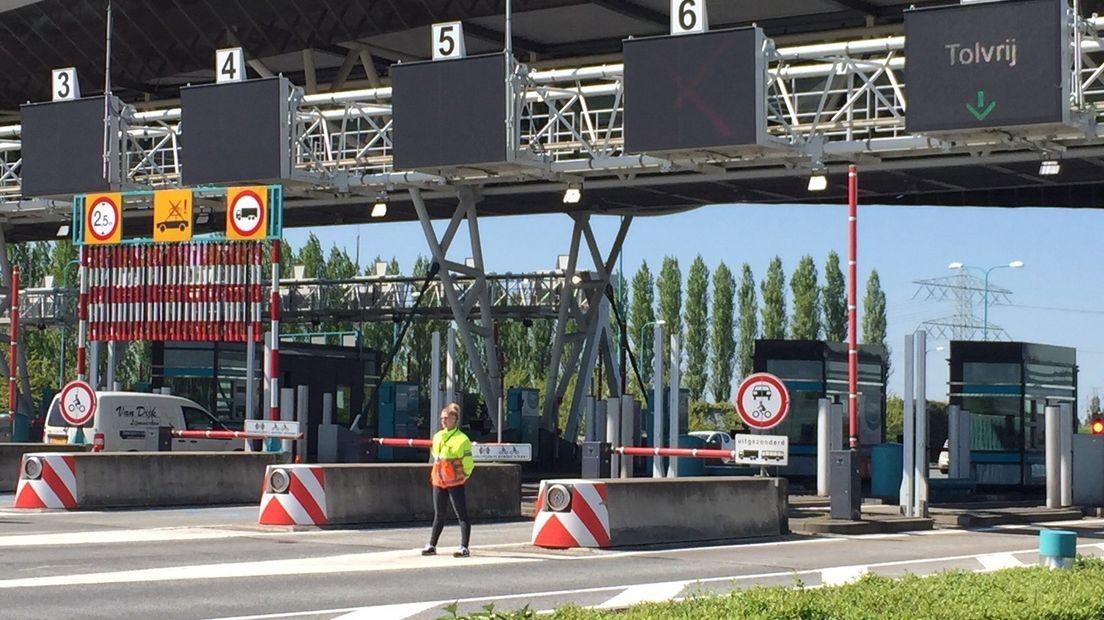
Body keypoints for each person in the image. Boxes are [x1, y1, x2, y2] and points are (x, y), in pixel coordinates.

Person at [422, 402, 475, 558]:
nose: (443, 421)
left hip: (455, 481)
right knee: (439, 514)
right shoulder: (437, 436)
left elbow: (468, 462)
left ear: (455, 419)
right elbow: (436, 455)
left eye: (446, 418)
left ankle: (464, 547)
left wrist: (464, 475)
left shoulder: (462, 439)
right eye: (442, 418)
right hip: (439, 480)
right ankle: (432, 545)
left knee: (462, 514)